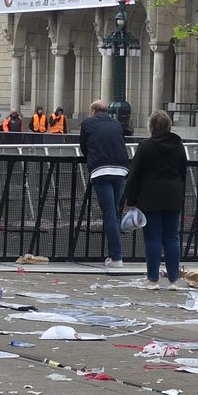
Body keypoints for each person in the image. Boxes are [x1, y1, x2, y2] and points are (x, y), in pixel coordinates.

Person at [124, 110, 188, 288]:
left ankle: (152, 278)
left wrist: (131, 201)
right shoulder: (178, 145)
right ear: (169, 126)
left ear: (151, 126)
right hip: (173, 195)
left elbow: (134, 175)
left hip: (150, 197)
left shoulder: (146, 146)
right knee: (172, 238)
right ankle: (174, 279)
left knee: (153, 239)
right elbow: (183, 170)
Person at [80, 99, 130, 268]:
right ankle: (116, 255)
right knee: (114, 212)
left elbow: (83, 147)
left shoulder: (87, 123)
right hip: (120, 170)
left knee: (109, 212)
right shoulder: (116, 124)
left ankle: (116, 257)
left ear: (93, 111)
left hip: (101, 170)